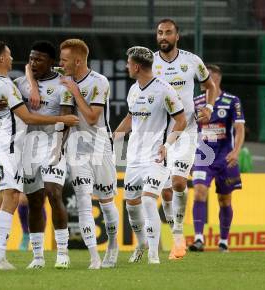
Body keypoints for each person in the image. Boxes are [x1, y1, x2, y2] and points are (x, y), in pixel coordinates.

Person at [0, 39, 78, 270]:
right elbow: (27, 118)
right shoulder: (9, 85)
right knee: (10, 197)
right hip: (9, 144)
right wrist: (62, 118)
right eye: (9, 55)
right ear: (1, 58)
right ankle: (0, 257)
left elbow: (2, 99)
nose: (14, 59)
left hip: (11, 144)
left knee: (1, 200)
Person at [153, 18, 218, 260]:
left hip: (186, 130)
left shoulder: (192, 61)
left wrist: (209, 107)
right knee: (166, 191)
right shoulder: (150, 62)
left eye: (168, 33)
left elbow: (209, 85)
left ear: (177, 36)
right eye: (160, 32)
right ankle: (177, 237)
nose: (163, 37)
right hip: (157, 132)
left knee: (179, 183)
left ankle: (178, 237)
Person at [115, 46, 186, 264]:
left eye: (128, 63)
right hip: (134, 158)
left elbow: (181, 120)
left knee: (147, 201)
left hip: (156, 157)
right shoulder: (133, 90)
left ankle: (154, 256)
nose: (127, 66)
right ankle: (142, 243)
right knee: (131, 206)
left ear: (136, 66)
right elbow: (131, 117)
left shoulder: (164, 89)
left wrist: (168, 144)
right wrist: (114, 136)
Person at [59, 38, 120, 269]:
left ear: (77, 61)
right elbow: (66, 117)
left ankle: (112, 246)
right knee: (84, 201)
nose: (60, 63)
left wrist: (74, 91)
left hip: (100, 146)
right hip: (76, 147)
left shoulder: (99, 82)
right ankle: (94, 257)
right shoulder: (65, 83)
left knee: (106, 202)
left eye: (64, 60)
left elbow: (93, 118)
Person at [15, 40, 72, 269]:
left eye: (38, 59)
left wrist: (59, 148)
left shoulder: (63, 85)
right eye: (31, 59)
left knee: (53, 193)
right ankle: (37, 257)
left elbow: (67, 119)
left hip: (52, 144)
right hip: (28, 147)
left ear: (51, 62)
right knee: (34, 201)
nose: (33, 63)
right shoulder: (20, 84)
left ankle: (62, 253)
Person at [189, 64, 245, 252]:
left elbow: (239, 128)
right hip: (203, 155)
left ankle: (223, 241)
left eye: (208, 76)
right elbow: (188, 129)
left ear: (217, 78)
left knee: (224, 200)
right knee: (198, 191)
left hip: (224, 155)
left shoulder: (232, 100)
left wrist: (236, 151)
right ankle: (198, 239)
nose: (204, 80)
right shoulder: (195, 101)